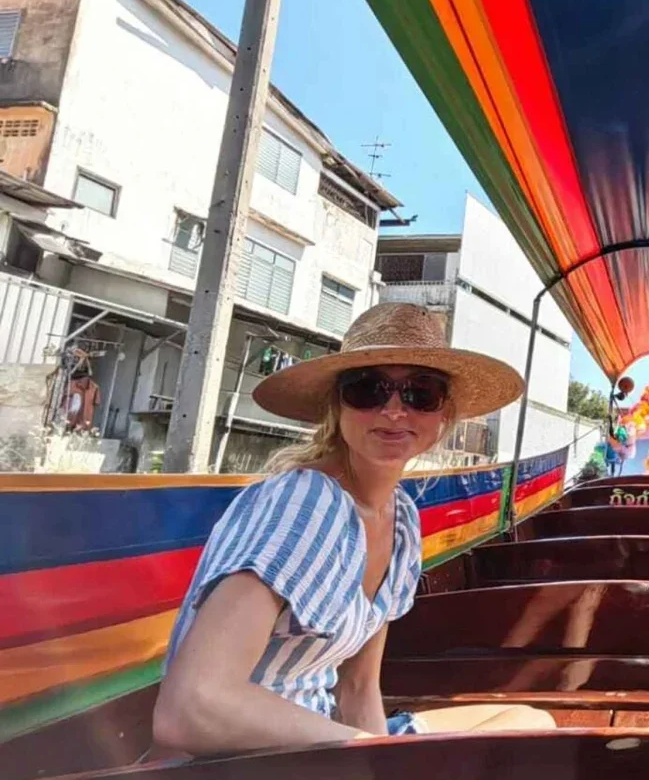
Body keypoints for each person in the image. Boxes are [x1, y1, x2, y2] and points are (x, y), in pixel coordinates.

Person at [152, 303, 555, 757]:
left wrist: (379, 758)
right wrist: (373, 755)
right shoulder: (305, 501)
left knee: (532, 723)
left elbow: (358, 689)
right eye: (368, 390)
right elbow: (191, 707)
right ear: (336, 405)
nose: (395, 411)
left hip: (328, 743)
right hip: (248, 758)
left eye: (421, 393)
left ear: (445, 414)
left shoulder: (401, 519)